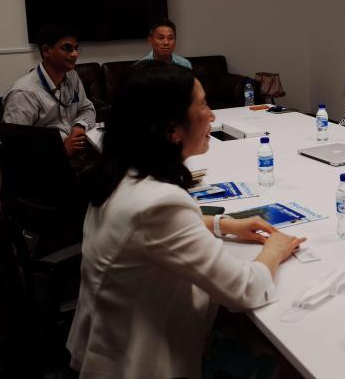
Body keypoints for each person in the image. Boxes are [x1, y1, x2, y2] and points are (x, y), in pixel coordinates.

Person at [67, 62, 305, 378]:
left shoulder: (121, 174)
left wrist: (223, 224)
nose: (212, 116)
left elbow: (142, 231)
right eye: (203, 106)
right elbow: (245, 289)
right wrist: (275, 248)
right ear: (172, 129)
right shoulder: (160, 202)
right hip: (142, 365)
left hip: (106, 348)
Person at [3, 24, 96, 157]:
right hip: (44, 163)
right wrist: (60, 150)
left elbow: (87, 108)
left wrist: (79, 126)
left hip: (77, 154)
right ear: (46, 51)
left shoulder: (72, 76)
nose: (75, 54)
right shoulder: (24, 93)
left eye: (76, 48)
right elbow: (15, 146)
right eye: (67, 48)